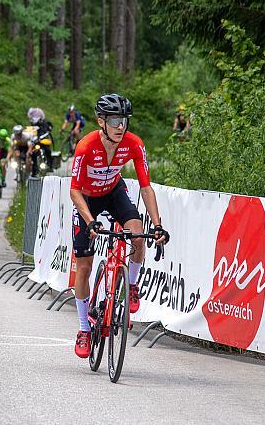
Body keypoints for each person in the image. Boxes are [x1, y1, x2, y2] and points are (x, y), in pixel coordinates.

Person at [69, 93, 169, 359]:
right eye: (114, 120)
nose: (120, 126)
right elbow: (75, 191)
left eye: (123, 120)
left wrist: (157, 225)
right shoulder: (85, 146)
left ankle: (131, 285)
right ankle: (83, 329)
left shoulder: (134, 144)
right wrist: (90, 222)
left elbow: (145, 186)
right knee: (84, 267)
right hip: (87, 198)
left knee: (138, 235)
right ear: (101, 121)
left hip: (114, 192)